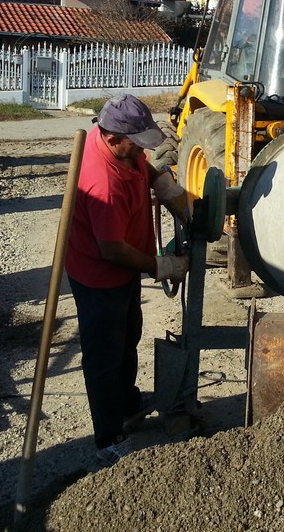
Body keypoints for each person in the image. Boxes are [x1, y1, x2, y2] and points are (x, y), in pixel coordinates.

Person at [65, 94, 191, 465]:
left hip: (123, 272)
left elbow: (141, 163)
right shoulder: (102, 182)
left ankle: (128, 404)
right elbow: (113, 250)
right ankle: (109, 438)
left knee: (127, 339)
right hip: (99, 277)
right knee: (104, 358)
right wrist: (161, 266)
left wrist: (164, 186)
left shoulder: (119, 146)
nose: (142, 150)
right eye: (136, 143)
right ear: (113, 138)